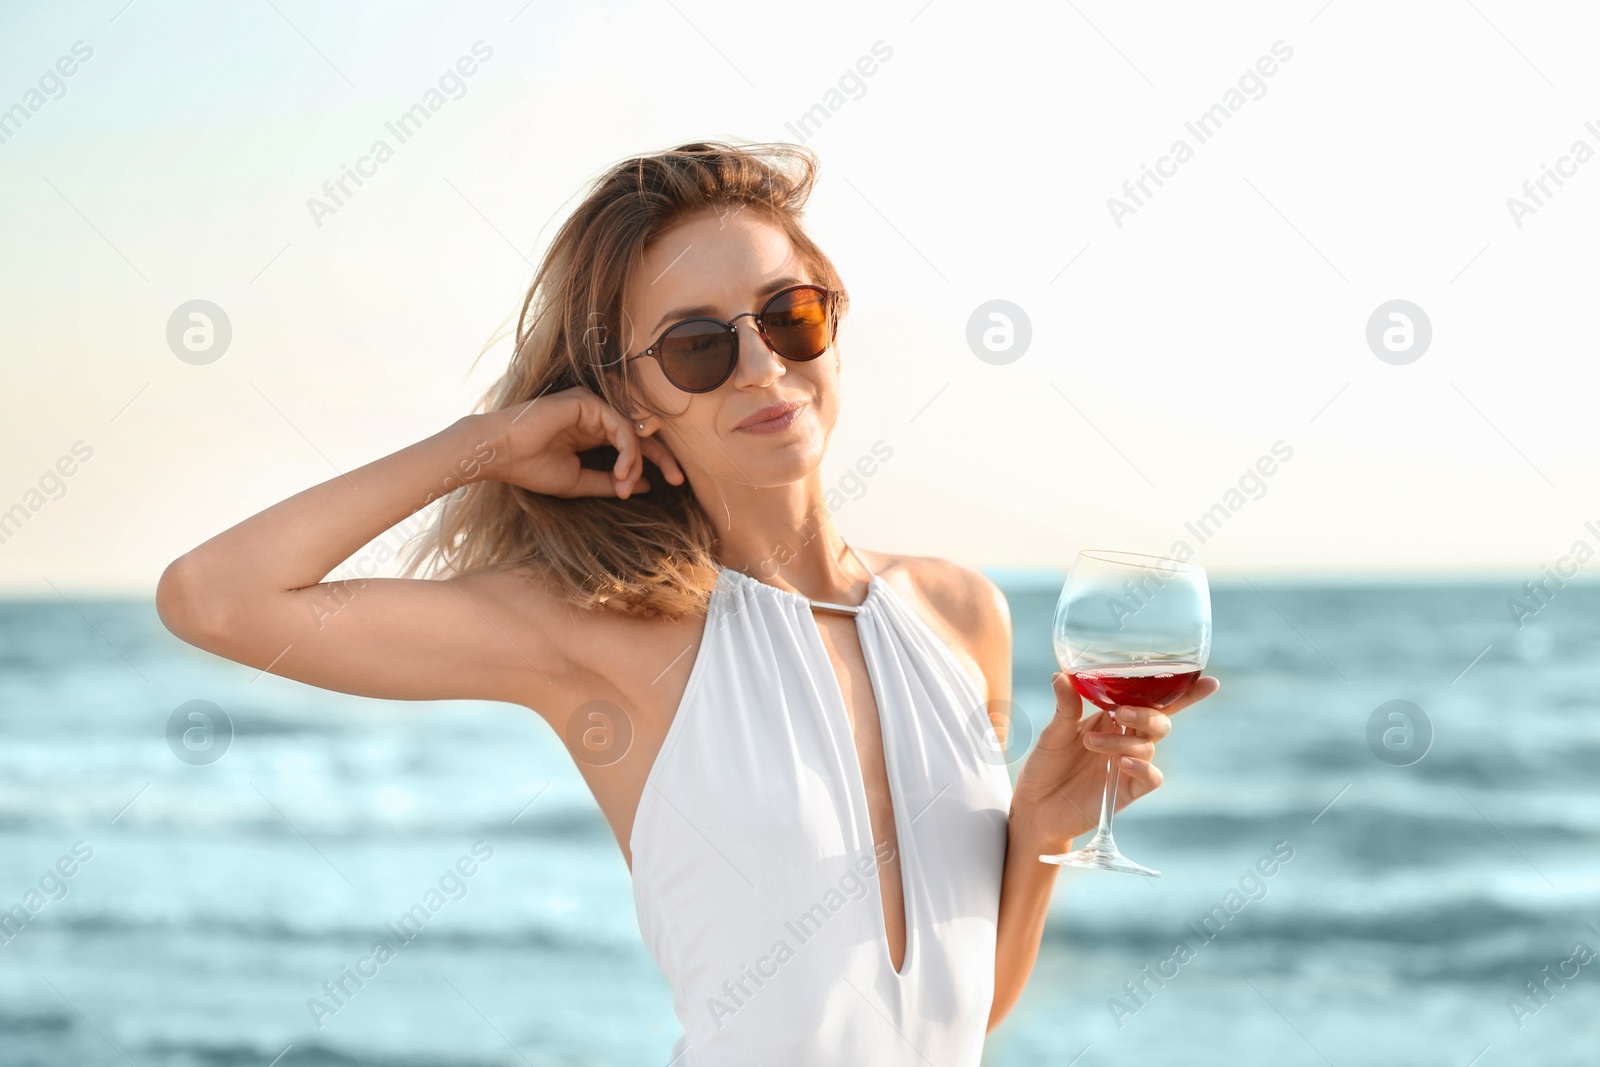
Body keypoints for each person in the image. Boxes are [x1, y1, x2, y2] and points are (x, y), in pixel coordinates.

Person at [156, 140, 1218, 1065]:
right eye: (697, 345)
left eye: (790, 316)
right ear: (629, 396)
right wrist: (485, 445)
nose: (762, 364)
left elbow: (954, 1018)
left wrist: (1039, 826)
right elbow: (215, 597)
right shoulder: (600, 630)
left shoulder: (960, 612)